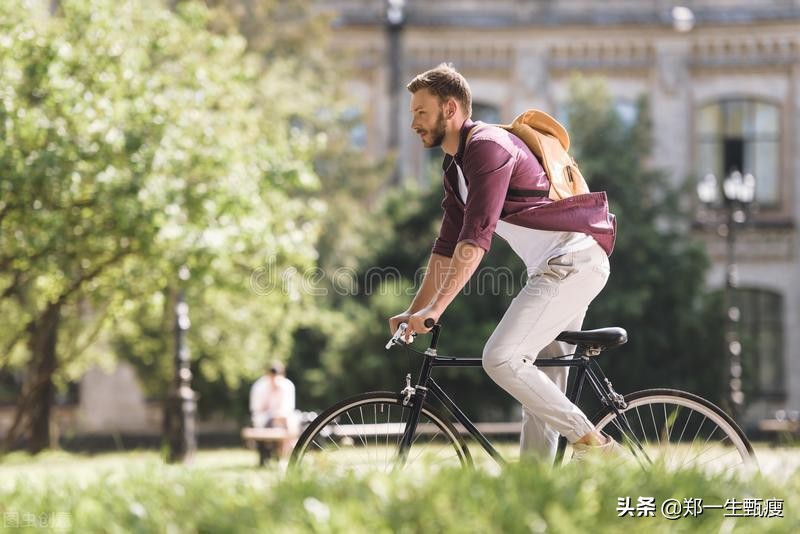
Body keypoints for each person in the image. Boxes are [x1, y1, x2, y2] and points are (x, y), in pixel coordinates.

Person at [389, 63, 621, 462]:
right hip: (560, 267)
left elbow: (475, 239)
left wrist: (435, 310)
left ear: (450, 109)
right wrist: (416, 310)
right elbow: (446, 247)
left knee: (500, 357)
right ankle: (535, 495)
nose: (413, 123)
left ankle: (595, 445)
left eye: (420, 112)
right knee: (540, 390)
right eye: (412, 114)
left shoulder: (488, 146)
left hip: (572, 261)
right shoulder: (455, 166)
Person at [249, 361, 298, 460]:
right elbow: (256, 409)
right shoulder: (259, 386)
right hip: (264, 418)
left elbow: (289, 408)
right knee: (282, 423)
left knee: (288, 421)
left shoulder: (287, 386)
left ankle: (286, 453)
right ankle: (286, 455)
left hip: (283, 419)